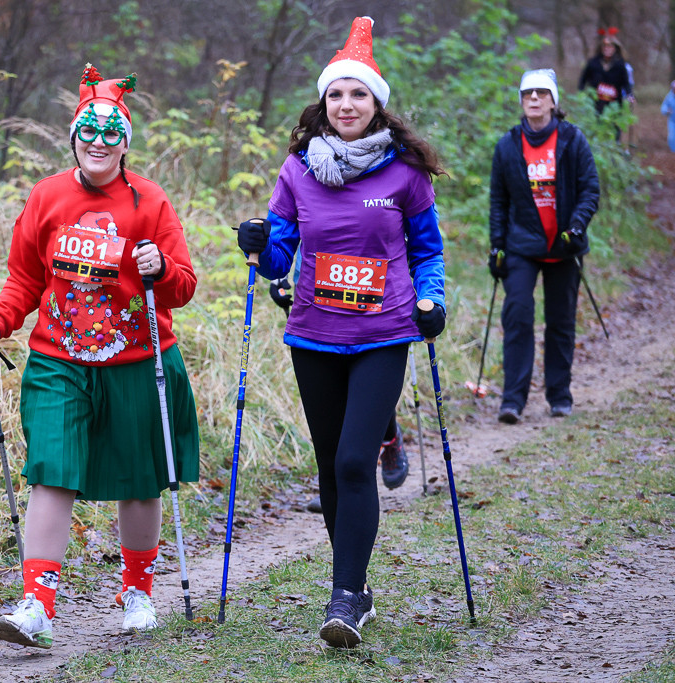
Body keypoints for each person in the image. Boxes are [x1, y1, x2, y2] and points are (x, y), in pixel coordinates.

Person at [0, 64, 199, 648]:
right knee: (52, 469)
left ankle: (138, 591)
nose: (99, 142)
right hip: (58, 360)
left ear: (126, 142)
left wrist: (160, 268)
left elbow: (183, 288)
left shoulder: (151, 202)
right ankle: (37, 604)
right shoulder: (47, 196)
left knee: (139, 480)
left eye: (112, 132)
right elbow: (24, 277)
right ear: (73, 136)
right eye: (89, 131)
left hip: (136, 360)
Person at [237, 16, 446, 648]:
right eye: (336, 94)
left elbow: (428, 252)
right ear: (323, 104)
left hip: (384, 332)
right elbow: (279, 258)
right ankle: (353, 581)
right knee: (331, 467)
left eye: (358, 94)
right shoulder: (298, 169)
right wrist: (257, 247)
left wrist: (432, 298)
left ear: (376, 103)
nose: (346, 103)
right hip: (314, 333)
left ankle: (346, 596)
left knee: (357, 460)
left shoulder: (405, 174)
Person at [488, 68, 600, 424]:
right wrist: (497, 247)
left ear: (553, 101)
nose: (533, 99)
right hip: (521, 246)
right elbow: (498, 201)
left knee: (560, 322)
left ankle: (559, 396)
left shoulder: (572, 140)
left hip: (564, 247)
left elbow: (589, 190)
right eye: (527, 94)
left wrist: (577, 226)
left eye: (541, 93)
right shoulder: (507, 145)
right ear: (522, 101)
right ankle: (512, 401)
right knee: (518, 316)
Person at [269, 261, 411, 508]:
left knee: (368, 382)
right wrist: (278, 276)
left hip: (377, 287)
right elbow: (289, 229)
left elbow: (420, 235)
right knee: (334, 391)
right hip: (318, 284)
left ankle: (386, 441)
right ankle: (337, 481)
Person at [578, 27, 631, 115]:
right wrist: (581, 94)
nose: (607, 48)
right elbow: (583, 80)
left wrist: (630, 95)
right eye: (605, 46)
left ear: (615, 48)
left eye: (610, 46)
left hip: (614, 106)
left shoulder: (620, 65)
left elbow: (625, 83)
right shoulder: (593, 63)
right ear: (601, 48)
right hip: (594, 104)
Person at [662, 81, 675, 153]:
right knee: (672, 136)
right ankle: (673, 151)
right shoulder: (669, 97)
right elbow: (664, 107)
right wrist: (667, 110)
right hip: (672, 120)